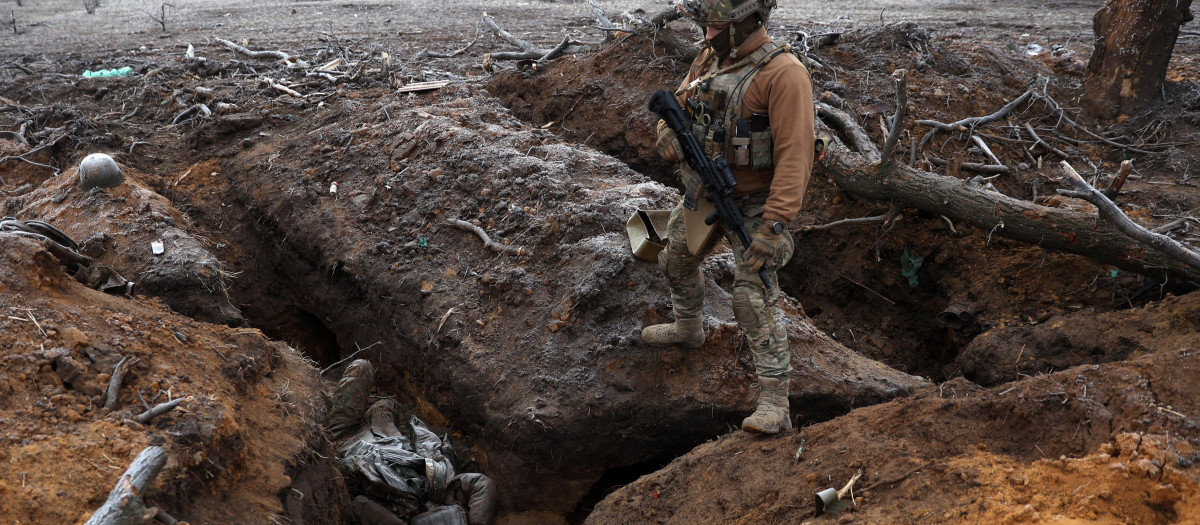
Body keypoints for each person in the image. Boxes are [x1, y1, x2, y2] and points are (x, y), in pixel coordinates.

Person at [642, 0, 815, 435]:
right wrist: (667, 133)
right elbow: (677, 102)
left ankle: (776, 402)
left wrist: (773, 226)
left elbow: (796, 158)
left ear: (746, 22)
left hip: (757, 201)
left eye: (717, 26)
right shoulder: (712, 59)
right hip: (707, 186)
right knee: (674, 258)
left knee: (752, 293)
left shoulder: (784, 74)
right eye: (708, 25)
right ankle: (689, 326)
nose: (707, 34)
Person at [330, 359, 497, 525]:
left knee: (361, 367)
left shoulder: (400, 512)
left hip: (346, 439)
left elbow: (359, 504)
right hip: (389, 439)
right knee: (384, 405)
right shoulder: (441, 491)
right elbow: (482, 483)